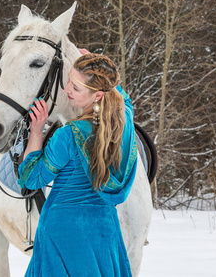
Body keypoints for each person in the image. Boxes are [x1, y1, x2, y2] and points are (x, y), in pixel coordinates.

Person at [18, 51, 138, 277]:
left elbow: (31, 178)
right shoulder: (124, 127)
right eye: (69, 81)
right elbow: (124, 100)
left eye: (76, 87)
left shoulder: (69, 136)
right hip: (105, 233)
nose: (67, 90)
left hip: (62, 233)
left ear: (98, 95)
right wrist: (100, 68)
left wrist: (36, 130)